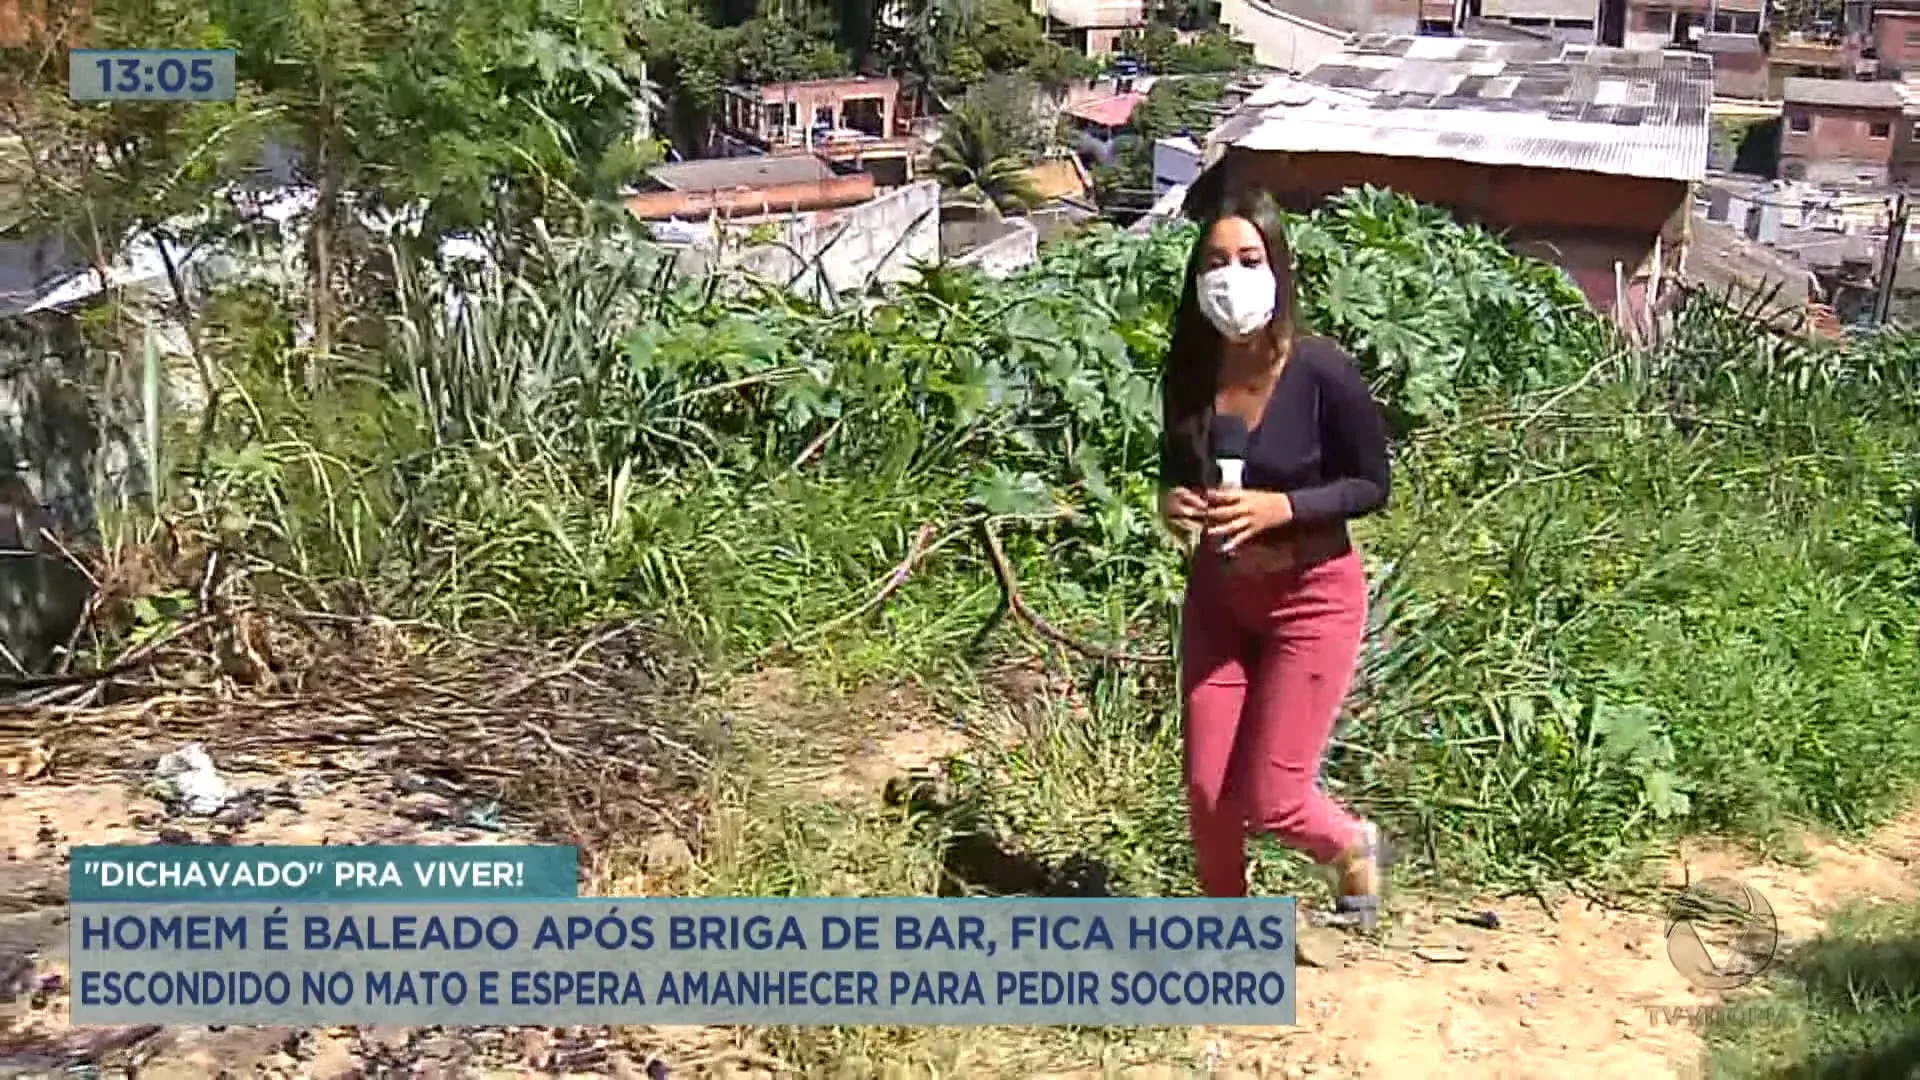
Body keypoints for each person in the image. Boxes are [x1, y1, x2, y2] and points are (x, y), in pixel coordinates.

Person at [1157, 188, 1391, 918]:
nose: (1232, 275)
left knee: (1274, 796)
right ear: (1197, 279)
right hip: (1220, 601)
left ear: (1278, 268)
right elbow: (1173, 468)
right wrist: (1173, 501)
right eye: (1216, 261)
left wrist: (1282, 507)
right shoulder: (1188, 374)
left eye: (1249, 259)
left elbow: (1371, 485)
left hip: (1310, 598)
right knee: (1206, 789)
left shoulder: (1323, 372)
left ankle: (1350, 844)